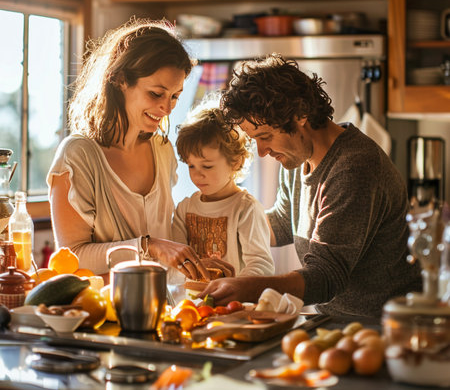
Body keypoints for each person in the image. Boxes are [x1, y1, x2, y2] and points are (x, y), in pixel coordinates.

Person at [197, 53, 422, 317]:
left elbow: (326, 276)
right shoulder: (298, 156)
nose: (261, 151)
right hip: (336, 321)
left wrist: (249, 288)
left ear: (301, 114)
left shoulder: (354, 168)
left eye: (266, 136)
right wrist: (220, 233)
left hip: (383, 327)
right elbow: (283, 222)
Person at [47, 18, 216, 281]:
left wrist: (201, 261)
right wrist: (148, 246)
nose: (168, 108)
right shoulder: (78, 156)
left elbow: (167, 242)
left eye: (174, 96)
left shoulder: (162, 149)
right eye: (156, 93)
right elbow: (72, 257)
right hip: (107, 313)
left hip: (169, 308)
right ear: (119, 80)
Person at [172, 100, 275, 277]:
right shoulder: (185, 208)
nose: (197, 175)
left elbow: (261, 266)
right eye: (191, 166)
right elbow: (174, 266)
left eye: (207, 166)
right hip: (190, 303)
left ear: (236, 162)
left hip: (233, 303)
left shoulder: (245, 209)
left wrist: (232, 286)